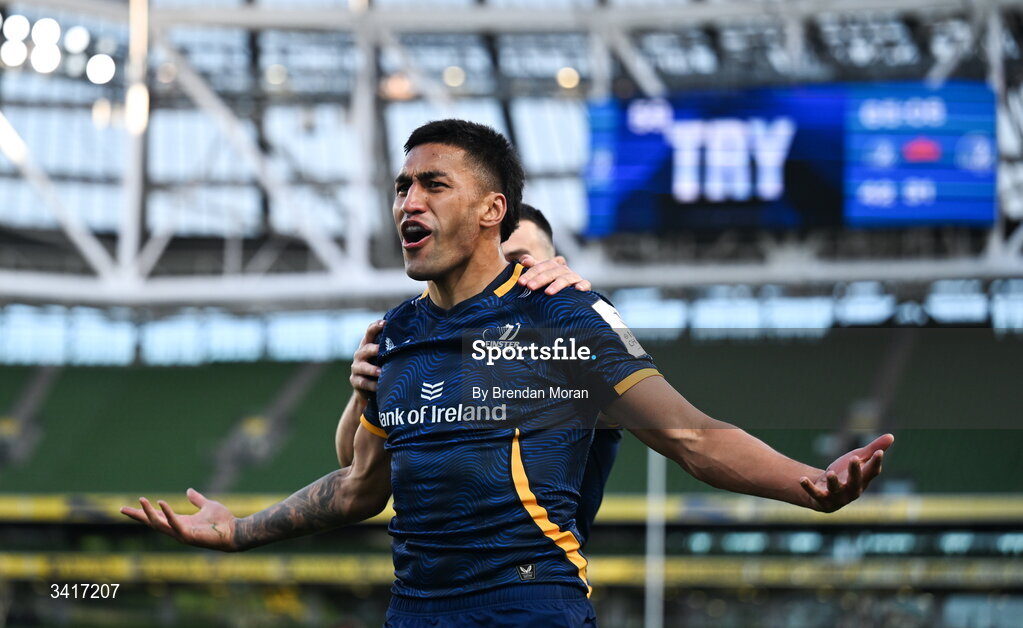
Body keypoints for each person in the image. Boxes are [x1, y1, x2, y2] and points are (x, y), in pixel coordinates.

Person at [122, 120, 893, 627]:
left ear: (492, 211)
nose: (407, 201)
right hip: (414, 613)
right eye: (401, 186)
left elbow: (692, 436)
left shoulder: (562, 319)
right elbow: (359, 485)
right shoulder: (397, 334)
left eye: (433, 184)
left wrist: (806, 486)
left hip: (528, 608)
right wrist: (237, 530)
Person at [337, 203, 613, 546]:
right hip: (429, 581)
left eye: (518, 260)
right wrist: (365, 392)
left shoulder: (574, 334)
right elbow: (356, 468)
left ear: (557, 267)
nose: (502, 274)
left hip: (538, 578)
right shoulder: (430, 343)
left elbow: (606, 402)